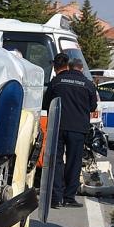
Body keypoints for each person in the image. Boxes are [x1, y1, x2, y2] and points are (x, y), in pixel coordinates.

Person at [43, 53, 97, 208]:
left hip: (58, 126)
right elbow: (93, 107)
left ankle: (56, 197)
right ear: (80, 69)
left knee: (57, 161)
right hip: (78, 128)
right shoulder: (87, 84)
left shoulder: (57, 81)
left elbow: (47, 104)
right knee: (73, 163)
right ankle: (69, 197)